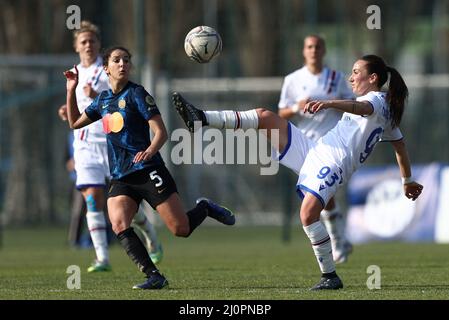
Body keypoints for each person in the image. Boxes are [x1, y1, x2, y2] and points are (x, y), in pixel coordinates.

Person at [172, 54, 424, 290]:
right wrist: (407, 180)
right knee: (264, 117)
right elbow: (400, 146)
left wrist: (328, 103)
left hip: (334, 163)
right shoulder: (387, 111)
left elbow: (362, 109)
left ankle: (329, 276)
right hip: (315, 150)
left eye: (356, 72)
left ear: (373, 79)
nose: (350, 77)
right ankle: (201, 118)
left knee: (307, 215)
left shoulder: (376, 101)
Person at [64, 46, 235, 290]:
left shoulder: (137, 94)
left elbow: (161, 132)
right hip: (122, 176)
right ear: (106, 68)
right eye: (116, 60)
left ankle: (204, 208)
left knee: (180, 229)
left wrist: (149, 151)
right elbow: (74, 123)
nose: (123, 64)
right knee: (119, 223)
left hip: (148, 170)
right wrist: (71, 90)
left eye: (126, 60)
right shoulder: (102, 100)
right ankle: (154, 275)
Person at [63, 21, 163, 272]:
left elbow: (119, 98)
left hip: (114, 145)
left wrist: (96, 92)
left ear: (98, 46)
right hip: (85, 146)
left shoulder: (108, 67)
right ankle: (102, 257)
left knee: (125, 203)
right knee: (92, 198)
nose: (88, 45)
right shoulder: (74, 73)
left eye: (92, 41)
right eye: (83, 41)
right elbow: (77, 116)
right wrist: (66, 110)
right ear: (76, 47)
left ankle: (149, 233)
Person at [278, 35, 354, 263]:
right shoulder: (293, 79)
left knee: (321, 193)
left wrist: (332, 104)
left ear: (324, 50)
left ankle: (337, 242)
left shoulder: (336, 78)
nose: (314, 50)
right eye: (310, 46)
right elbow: (281, 112)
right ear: (304, 51)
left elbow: (352, 105)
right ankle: (340, 240)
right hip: (306, 145)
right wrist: (296, 107)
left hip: (330, 145)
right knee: (323, 196)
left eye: (318, 46)